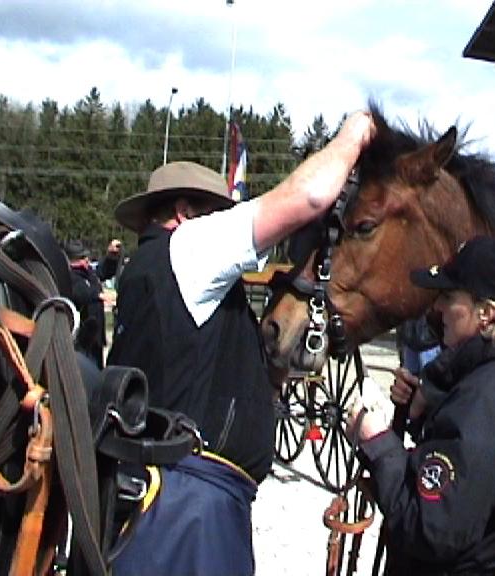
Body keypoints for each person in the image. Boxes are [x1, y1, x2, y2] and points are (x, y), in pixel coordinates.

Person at [106, 111, 375, 576]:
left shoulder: (150, 270)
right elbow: (307, 196)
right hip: (189, 508)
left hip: (170, 496)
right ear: (184, 213)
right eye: (218, 211)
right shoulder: (188, 250)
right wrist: (356, 134)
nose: (227, 220)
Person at [346, 236, 495, 576]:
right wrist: (430, 408)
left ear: (486, 313)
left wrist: (378, 441)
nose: (437, 308)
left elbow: (427, 528)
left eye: (449, 297)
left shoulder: (486, 400)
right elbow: (494, 470)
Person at [65, 238, 121, 368]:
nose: (87, 260)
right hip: (82, 338)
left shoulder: (89, 273)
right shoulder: (70, 276)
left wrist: (111, 256)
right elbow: (80, 294)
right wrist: (99, 296)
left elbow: (104, 271)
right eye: (82, 257)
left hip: (96, 338)